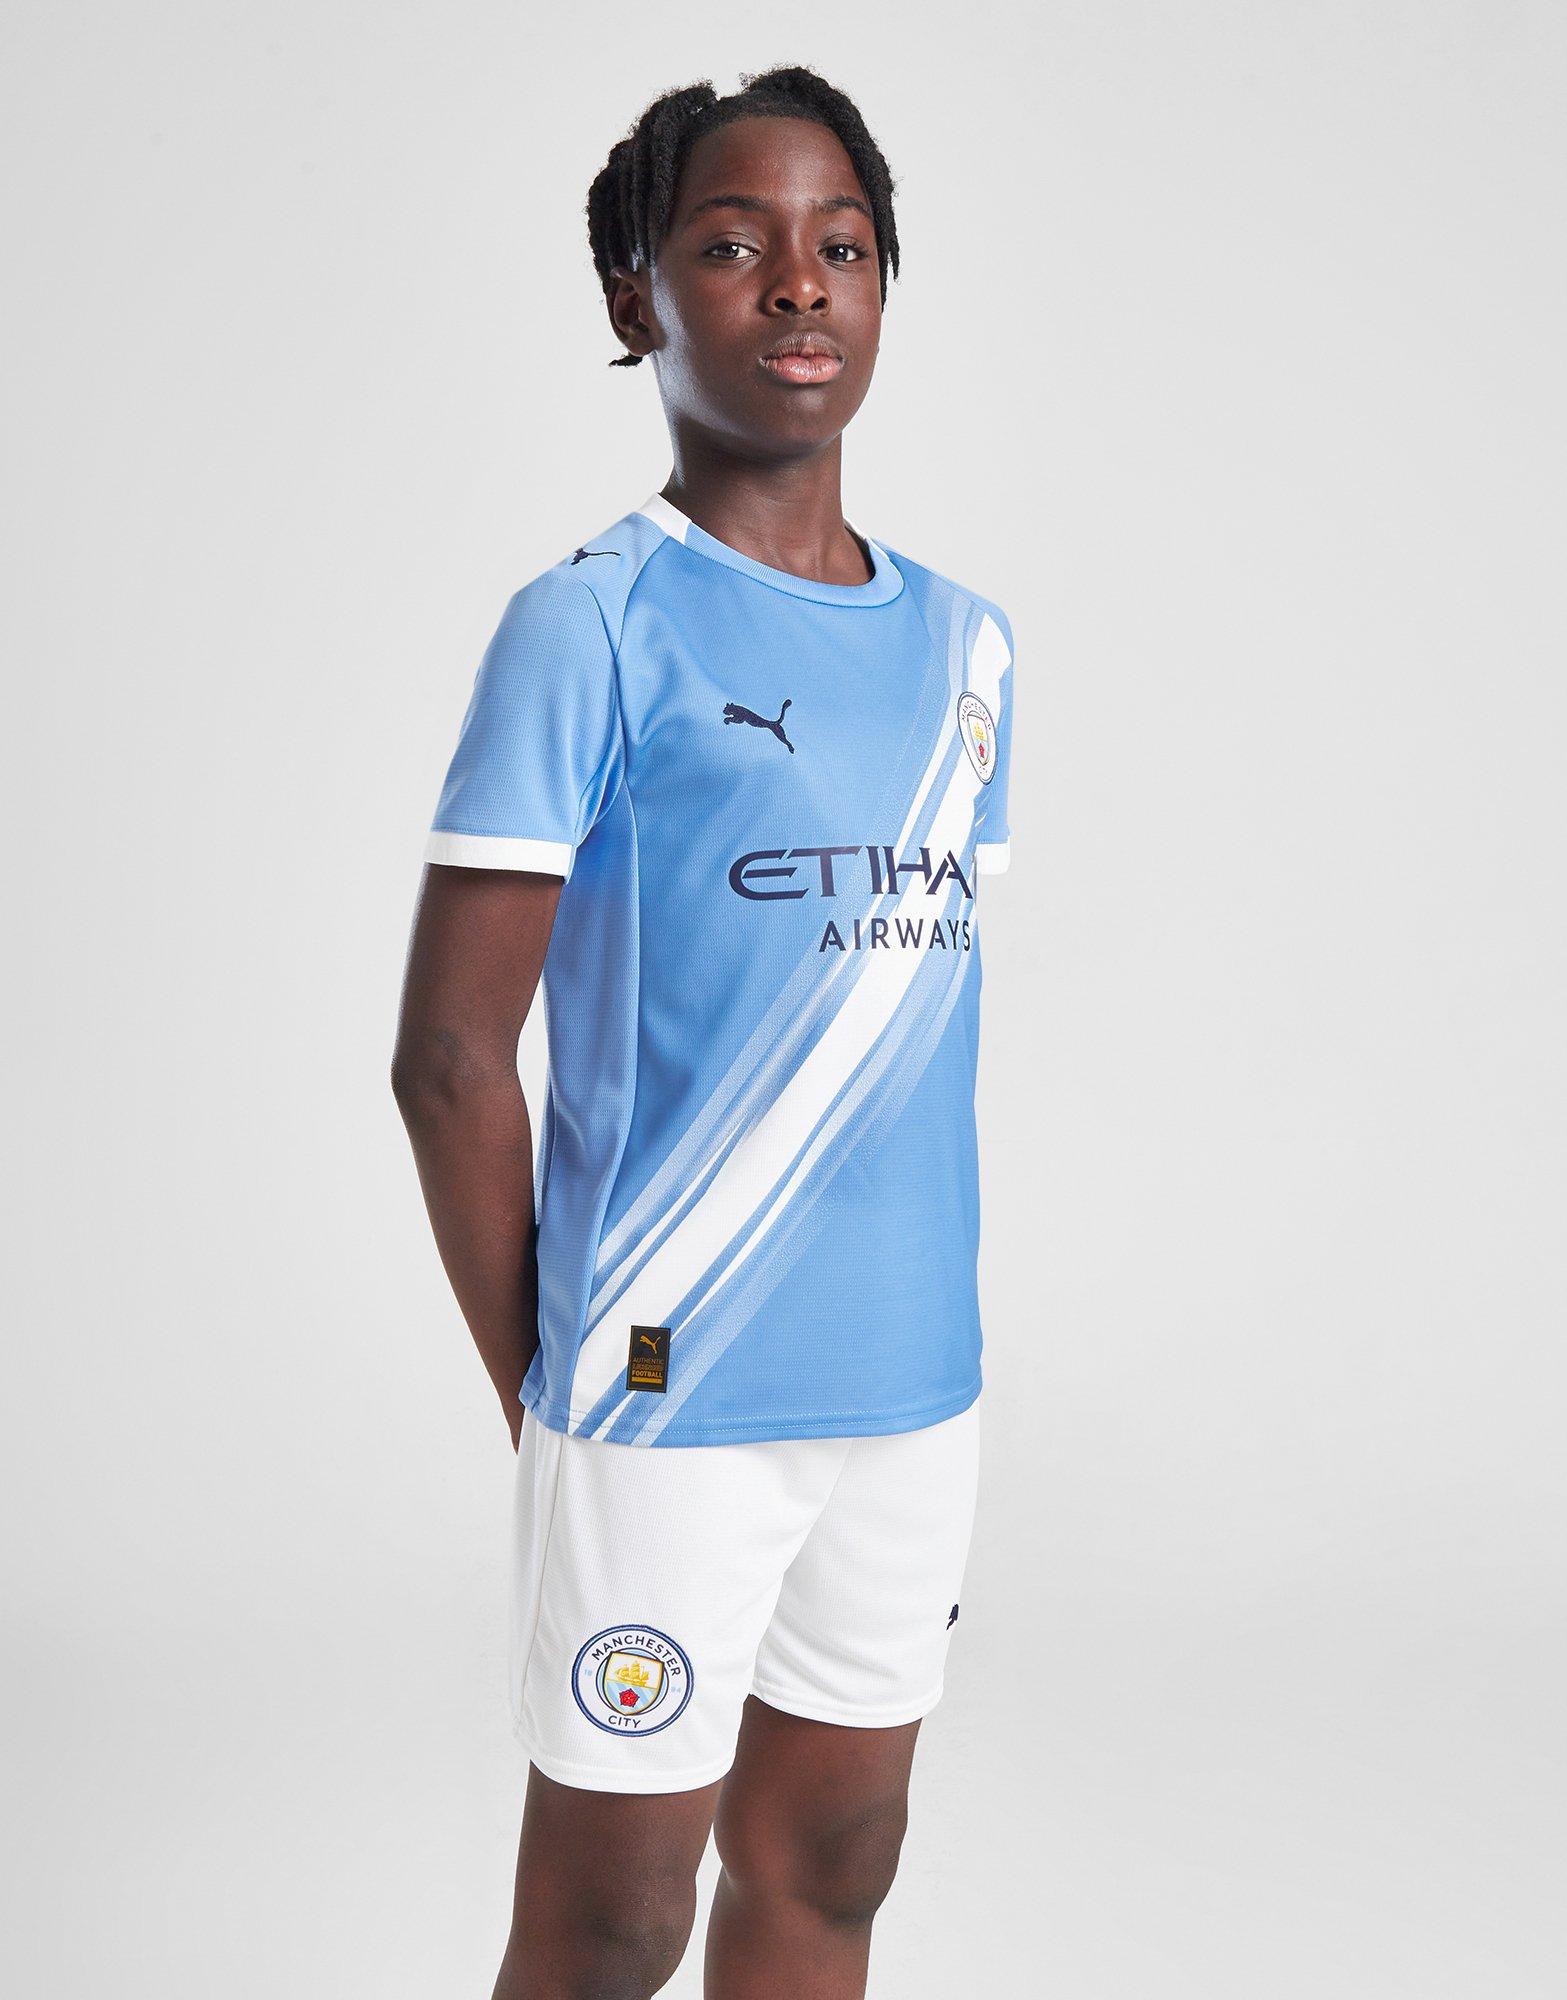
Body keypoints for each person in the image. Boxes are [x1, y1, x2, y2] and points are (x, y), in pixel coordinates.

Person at [392, 64, 1016, 2000]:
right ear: (634, 296)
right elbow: (447, 1060)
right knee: (614, 1924)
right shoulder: (590, 625)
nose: (800, 285)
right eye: (734, 245)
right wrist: (548, 1382)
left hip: (911, 1386)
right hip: (668, 1395)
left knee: (836, 1860)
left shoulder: (970, 646)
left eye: (844, 245)